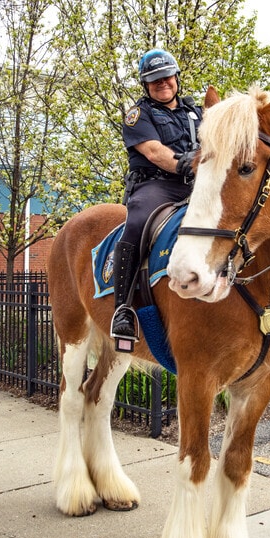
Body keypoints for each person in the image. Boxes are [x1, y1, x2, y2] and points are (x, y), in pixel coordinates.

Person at [111, 48, 203, 346]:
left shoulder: (196, 112)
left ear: (176, 78)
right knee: (138, 221)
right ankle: (123, 309)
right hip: (156, 185)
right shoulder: (138, 115)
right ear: (146, 85)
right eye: (154, 80)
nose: (162, 83)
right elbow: (154, 152)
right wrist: (185, 163)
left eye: (166, 77)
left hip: (196, 184)